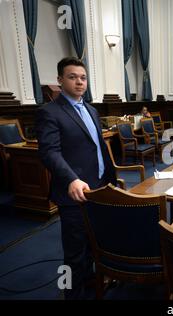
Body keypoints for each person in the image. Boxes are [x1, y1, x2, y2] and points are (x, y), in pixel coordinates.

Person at [35, 57, 116, 300]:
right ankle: (71, 293)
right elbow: (49, 152)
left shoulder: (91, 109)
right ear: (60, 80)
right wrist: (71, 179)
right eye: (72, 77)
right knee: (74, 254)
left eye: (83, 77)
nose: (79, 82)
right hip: (74, 193)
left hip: (99, 188)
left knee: (94, 244)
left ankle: (90, 282)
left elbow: (97, 147)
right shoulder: (48, 112)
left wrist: (110, 177)